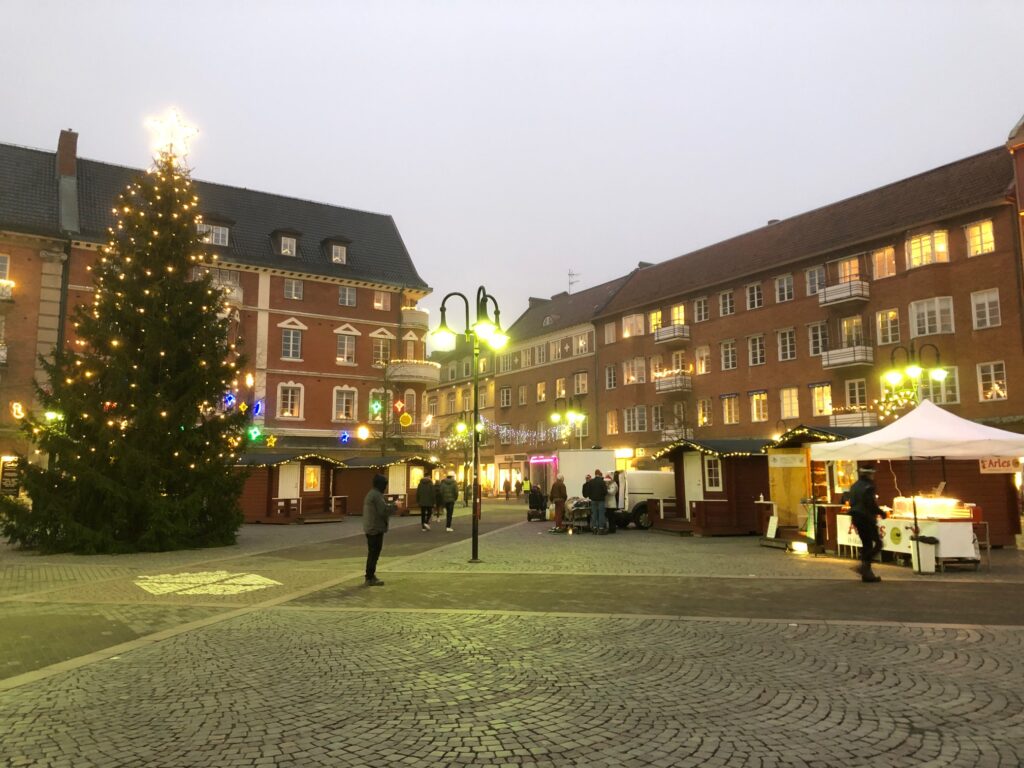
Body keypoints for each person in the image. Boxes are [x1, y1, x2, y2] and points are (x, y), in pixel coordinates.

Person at [849, 464, 886, 583]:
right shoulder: (869, 486)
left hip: (856, 517)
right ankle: (863, 567)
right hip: (866, 518)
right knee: (878, 543)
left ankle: (867, 575)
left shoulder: (854, 486)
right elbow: (870, 503)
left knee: (866, 544)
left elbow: (851, 502)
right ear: (869, 474)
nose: (874, 475)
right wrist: (880, 512)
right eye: (873, 473)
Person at [362, 473, 395, 586]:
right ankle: (370, 577)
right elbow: (383, 510)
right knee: (374, 553)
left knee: (373, 553)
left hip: (372, 527)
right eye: (385, 485)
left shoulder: (373, 494)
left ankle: (370, 575)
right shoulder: (376, 495)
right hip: (374, 528)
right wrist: (395, 506)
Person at [584, 469, 606, 534]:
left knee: (594, 514)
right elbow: (605, 491)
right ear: (599, 474)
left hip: (593, 500)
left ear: (595, 474)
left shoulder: (591, 481)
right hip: (601, 500)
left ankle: (594, 528)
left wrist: (591, 497)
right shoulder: (602, 482)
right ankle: (601, 529)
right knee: (601, 514)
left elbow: (588, 491)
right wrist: (602, 495)